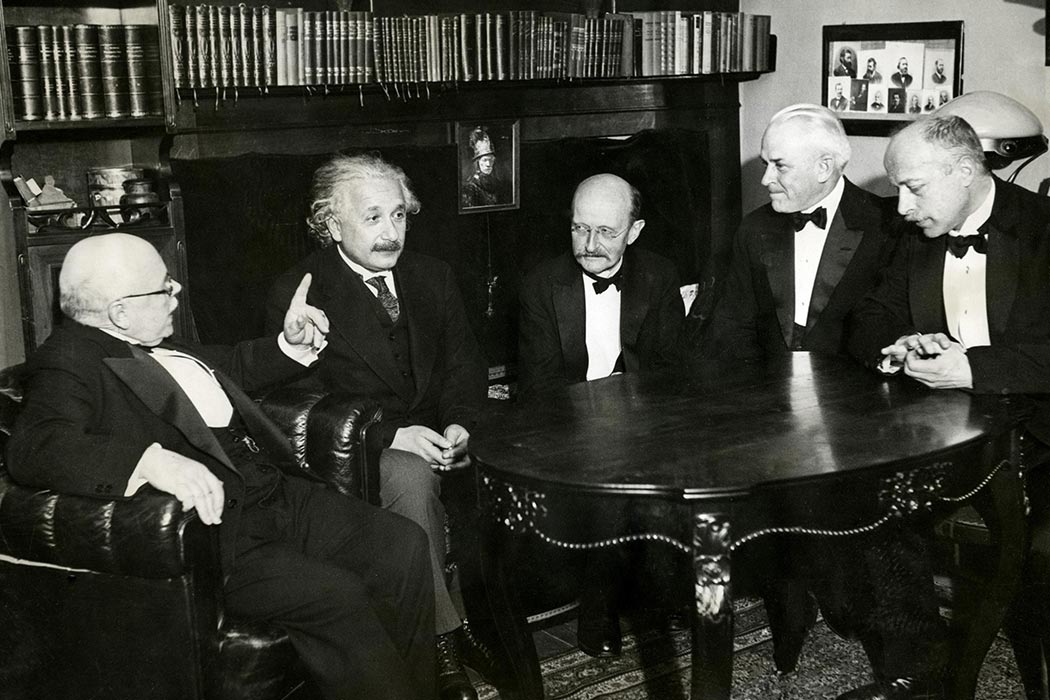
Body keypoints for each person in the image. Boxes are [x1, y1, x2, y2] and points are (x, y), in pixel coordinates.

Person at [5, 233, 436, 700]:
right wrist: (148, 461)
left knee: (402, 545)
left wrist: (289, 344)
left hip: (275, 492)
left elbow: (231, 364)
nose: (177, 292)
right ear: (119, 312)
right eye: (163, 287)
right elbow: (36, 447)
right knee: (336, 595)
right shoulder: (69, 359)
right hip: (221, 533)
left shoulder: (155, 336)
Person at [266, 153, 489, 700]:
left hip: (438, 432)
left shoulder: (432, 276)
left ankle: (488, 621)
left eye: (399, 216)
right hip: (358, 449)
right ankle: (444, 647)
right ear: (331, 223)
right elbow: (300, 407)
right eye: (373, 218)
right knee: (412, 480)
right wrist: (390, 436)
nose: (391, 233)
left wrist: (460, 425)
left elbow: (465, 365)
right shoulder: (300, 292)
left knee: (507, 464)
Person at [845, 113, 1050, 700]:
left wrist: (975, 368)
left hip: (1040, 435)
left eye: (914, 187)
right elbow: (868, 317)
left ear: (965, 170)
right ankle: (922, 673)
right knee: (866, 506)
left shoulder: (1042, 230)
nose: (903, 207)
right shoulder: (914, 232)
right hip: (947, 433)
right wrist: (901, 345)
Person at [518, 173, 683, 658]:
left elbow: (671, 373)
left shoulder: (659, 275)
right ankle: (600, 609)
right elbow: (540, 389)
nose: (589, 245)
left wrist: (633, 423)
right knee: (607, 486)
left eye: (606, 233)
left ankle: (664, 592)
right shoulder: (540, 285)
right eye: (579, 229)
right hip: (567, 425)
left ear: (635, 231)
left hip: (646, 419)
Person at [693, 104, 898, 362]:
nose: (766, 179)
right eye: (766, 164)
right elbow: (733, 326)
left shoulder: (885, 225)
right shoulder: (754, 227)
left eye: (780, 166)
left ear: (824, 167)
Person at [461, 126, 506, 208]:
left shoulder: (498, 184)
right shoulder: (470, 188)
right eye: (485, 160)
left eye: (491, 160)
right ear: (478, 163)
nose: (488, 164)